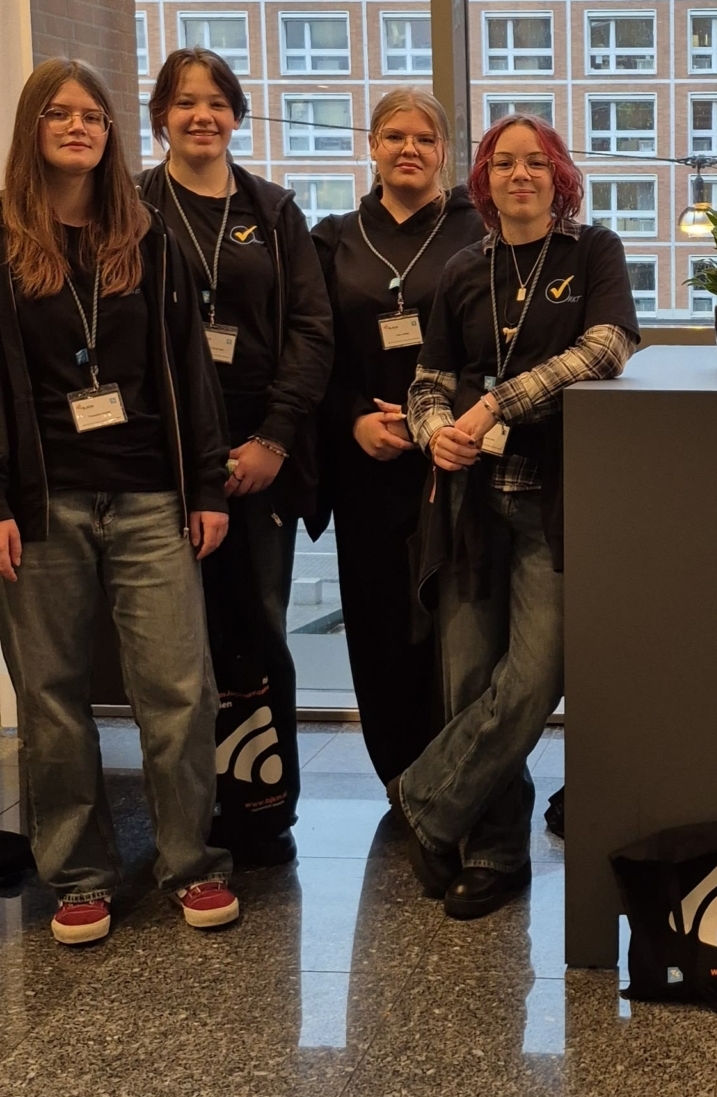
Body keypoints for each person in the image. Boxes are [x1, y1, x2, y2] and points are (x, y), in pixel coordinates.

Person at [0, 58, 237, 943]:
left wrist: (205, 484)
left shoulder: (148, 239)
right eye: (59, 114)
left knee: (179, 688)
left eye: (93, 116)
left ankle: (189, 861)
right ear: (33, 128)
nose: (78, 127)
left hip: (148, 495)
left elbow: (187, 375)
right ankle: (80, 877)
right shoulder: (3, 241)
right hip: (44, 502)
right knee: (54, 697)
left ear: (110, 134)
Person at [389, 114, 639, 919]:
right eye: (504, 163)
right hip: (469, 508)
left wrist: (497, 399)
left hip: (555, 505)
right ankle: (494, 853)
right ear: (485, 180)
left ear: (559, 174)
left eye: (536, 162)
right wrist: (434, 435)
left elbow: (605, 348)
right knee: (469, 682)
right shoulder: (464, 269)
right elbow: (426, 383)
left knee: (532, 680)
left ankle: (425, 800)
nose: (520, 174)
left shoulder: (592, 252)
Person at [139, 48, 333, 867]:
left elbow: (312, 332)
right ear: (161, 118)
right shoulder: (132, 207)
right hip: (162, 457)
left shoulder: (274, 210)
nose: (201, 116)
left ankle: (262, 801)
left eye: (216, 102)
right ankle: (186, 809)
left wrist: (275, 441)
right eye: (185, 103)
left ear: (237, 114)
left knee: (257, 624)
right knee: (177, 644)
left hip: (258, 457)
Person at [312, 90, 484, 784]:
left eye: (423, 137)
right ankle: (400, 780)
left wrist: (447, 418)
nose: (407, 148)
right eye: (393, 136)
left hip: (458, 457)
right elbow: (310, 349)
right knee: (381, 625)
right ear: (372, 147)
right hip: (368, 461)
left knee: (461, 630)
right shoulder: (333, 237)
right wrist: (353, 416)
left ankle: (460, 779)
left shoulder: (482, 231)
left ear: (445, 151)